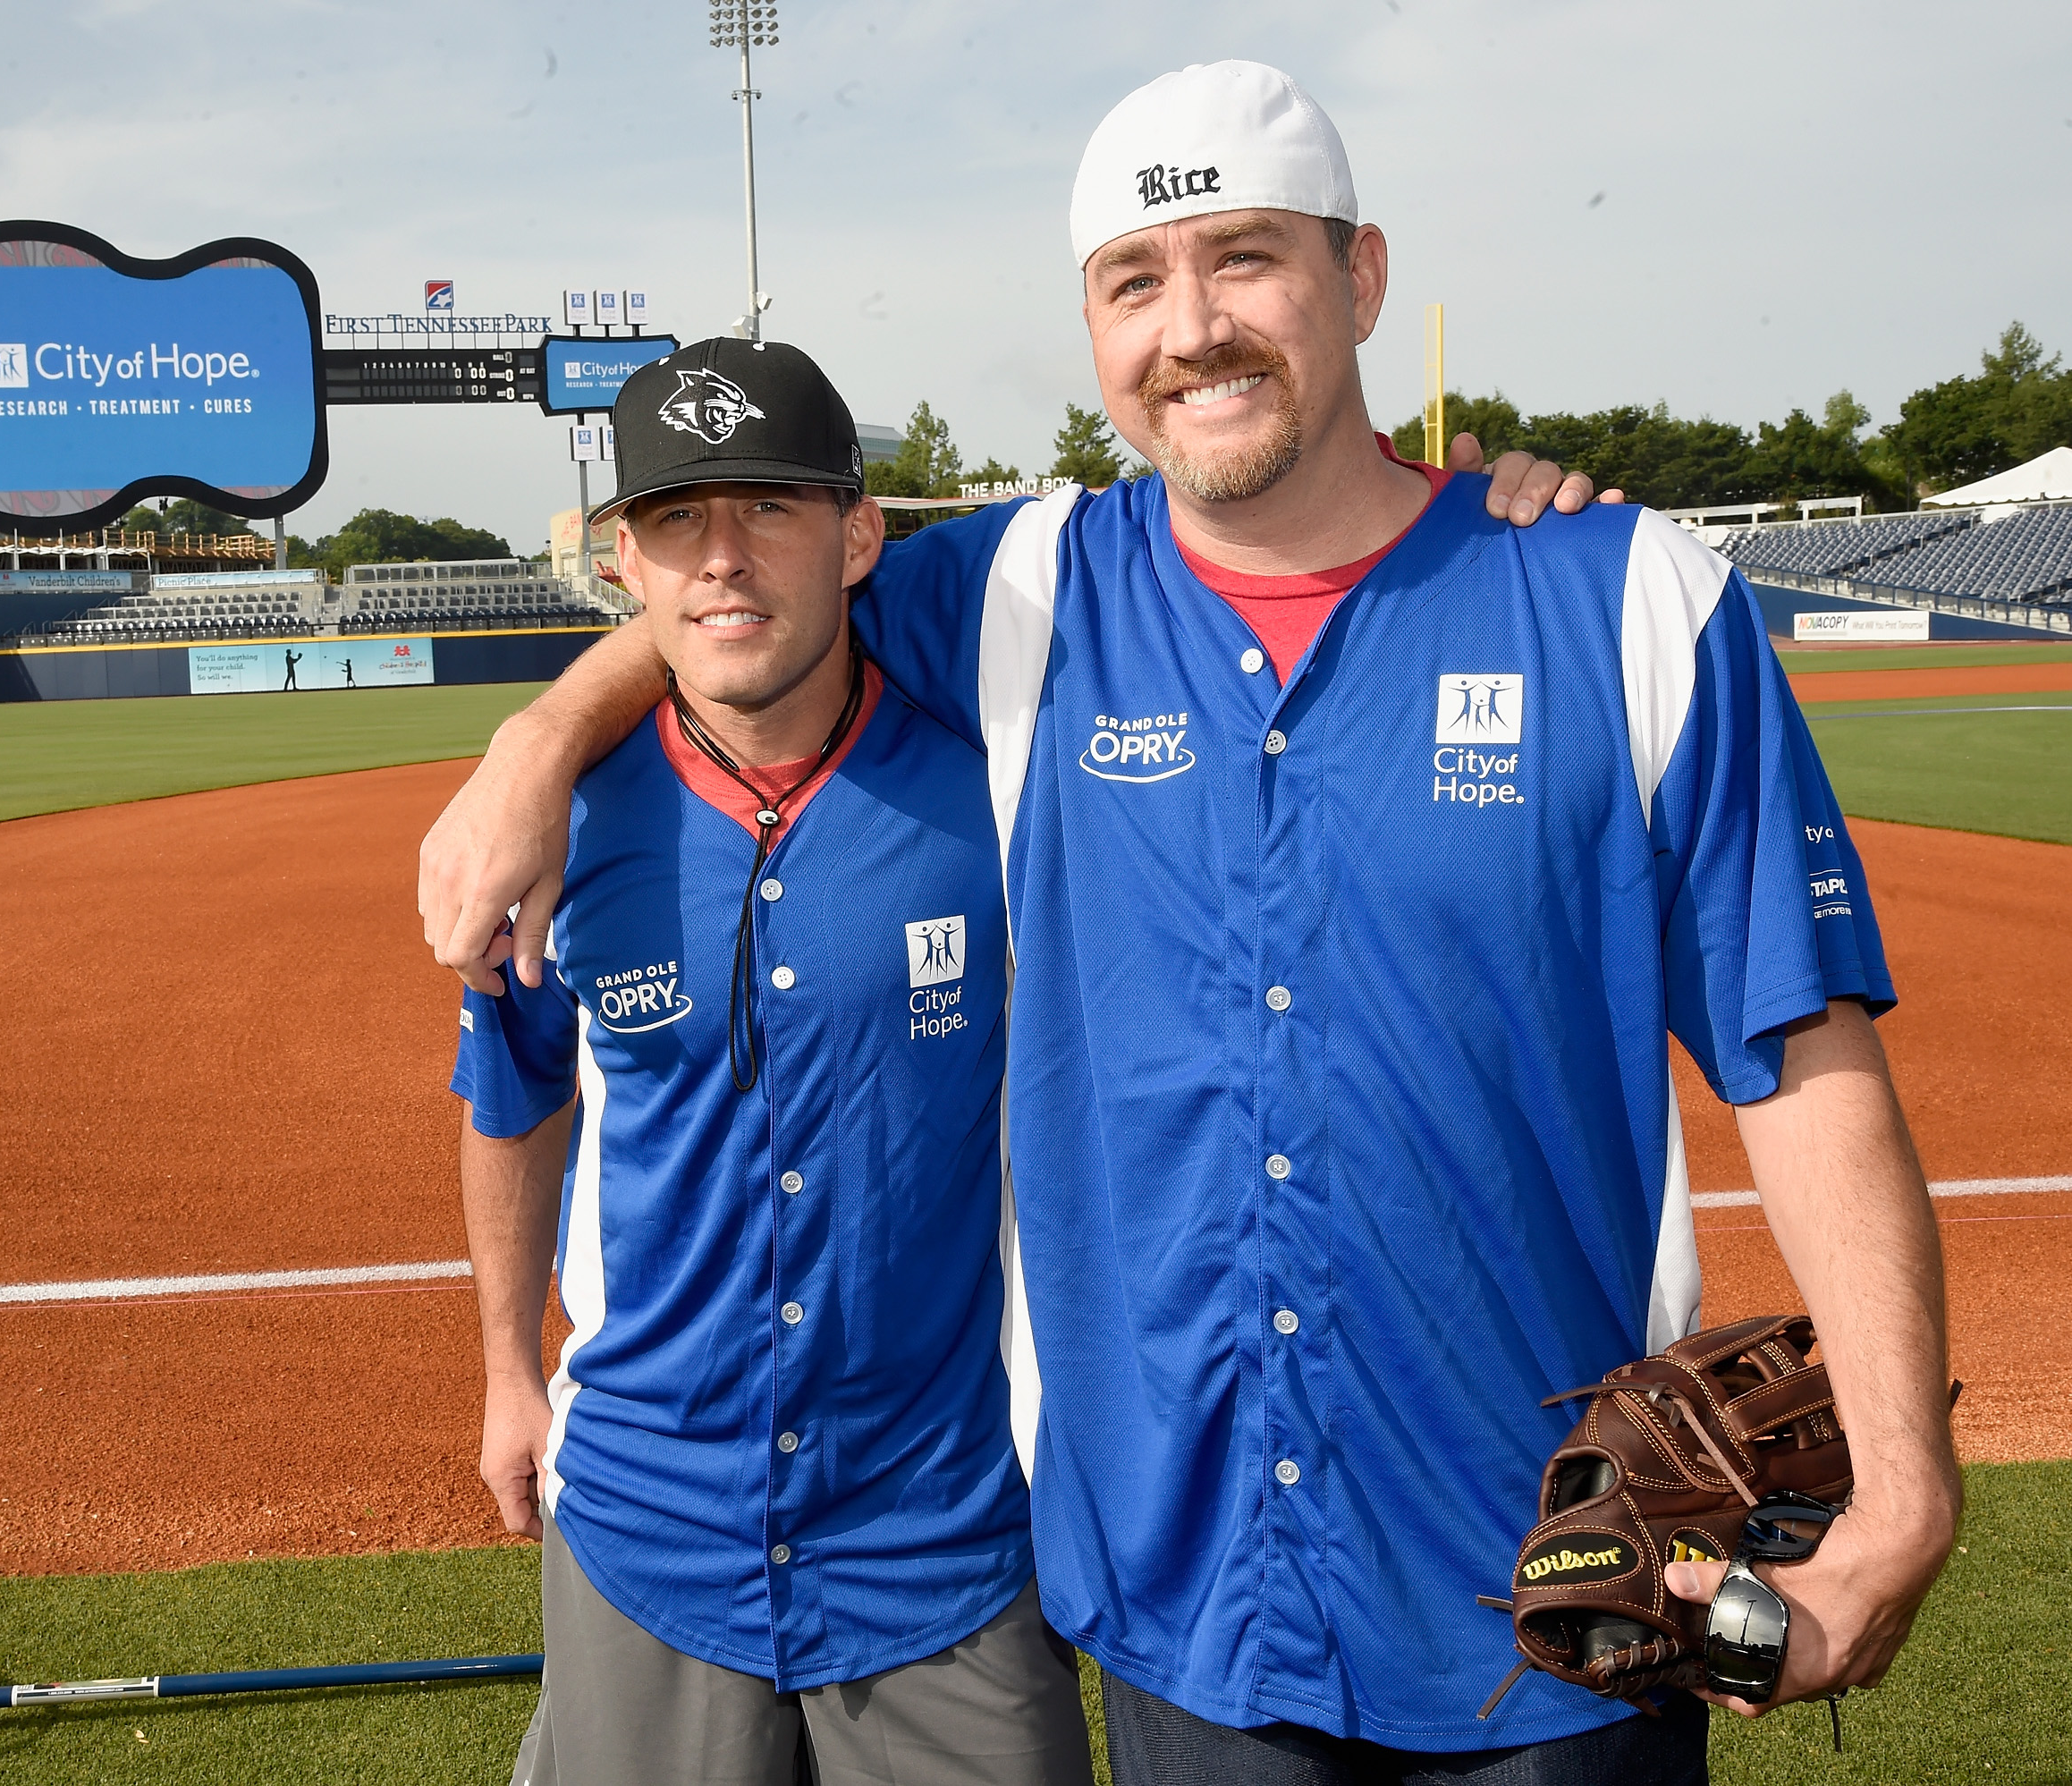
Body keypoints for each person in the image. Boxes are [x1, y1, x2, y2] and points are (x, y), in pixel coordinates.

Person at [420, 61, 1959, 1786]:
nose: (1193, 325)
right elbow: (737, 602)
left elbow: (1804, 1053)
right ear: (1091, 328)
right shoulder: (1025, 592)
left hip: (1549, 1610)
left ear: (1361, 277)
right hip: (1189, 1617)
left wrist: (1904, 1473)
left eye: (1247, 259)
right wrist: (537, 741)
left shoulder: (1630, 600)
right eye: (1135, 280)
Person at [452, 337, 1092, 1785]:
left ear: (860, 534)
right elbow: (514, 1092)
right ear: (624, 559)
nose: (722, 561)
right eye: (679, 520)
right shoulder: (566, 828)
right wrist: (504, 1369)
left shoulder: (994, 779)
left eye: (771, 511)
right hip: (645, 1516)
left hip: (940, 1529)